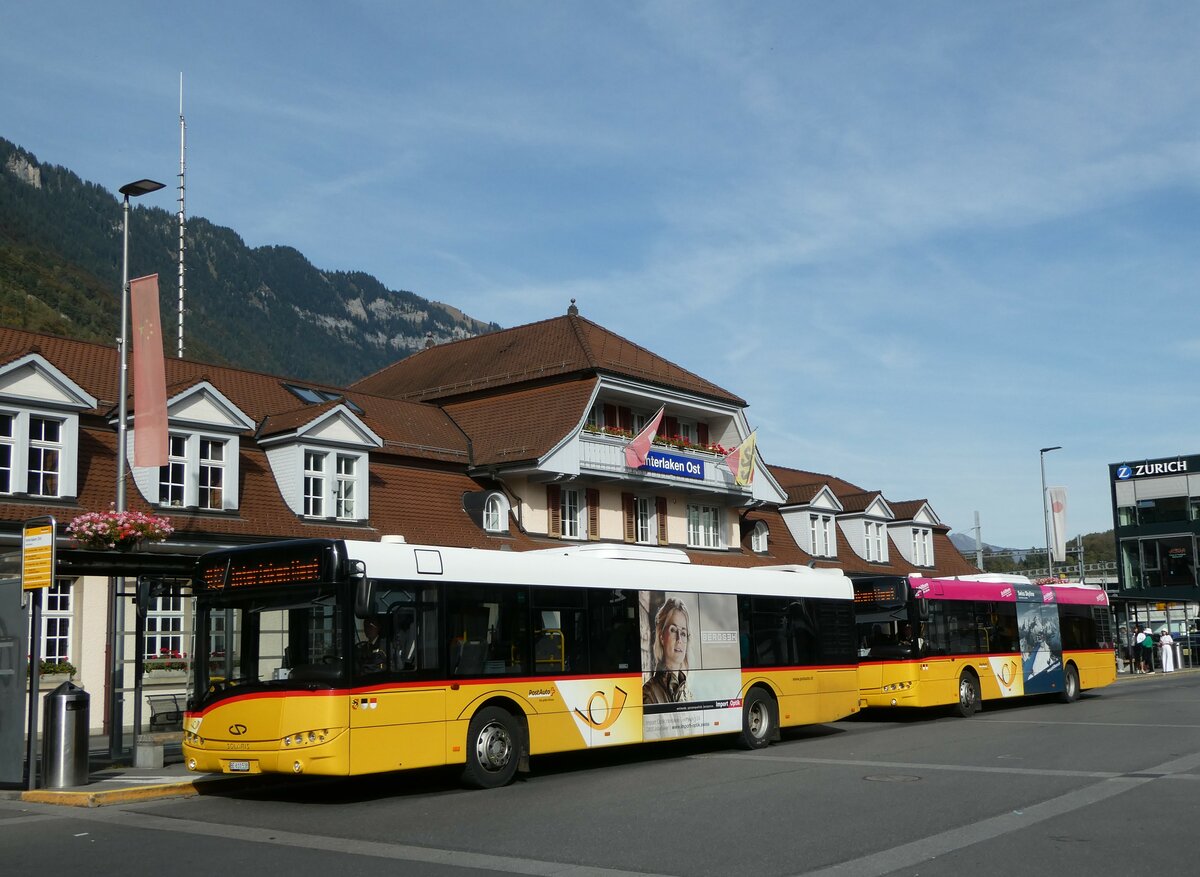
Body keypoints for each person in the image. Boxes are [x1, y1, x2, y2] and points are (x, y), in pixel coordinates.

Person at [642, 597, 692, 704]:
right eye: (673, 630)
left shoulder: (688, 694)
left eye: (683, 633)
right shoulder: (648, 693)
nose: (679, 639)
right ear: (661, 637)